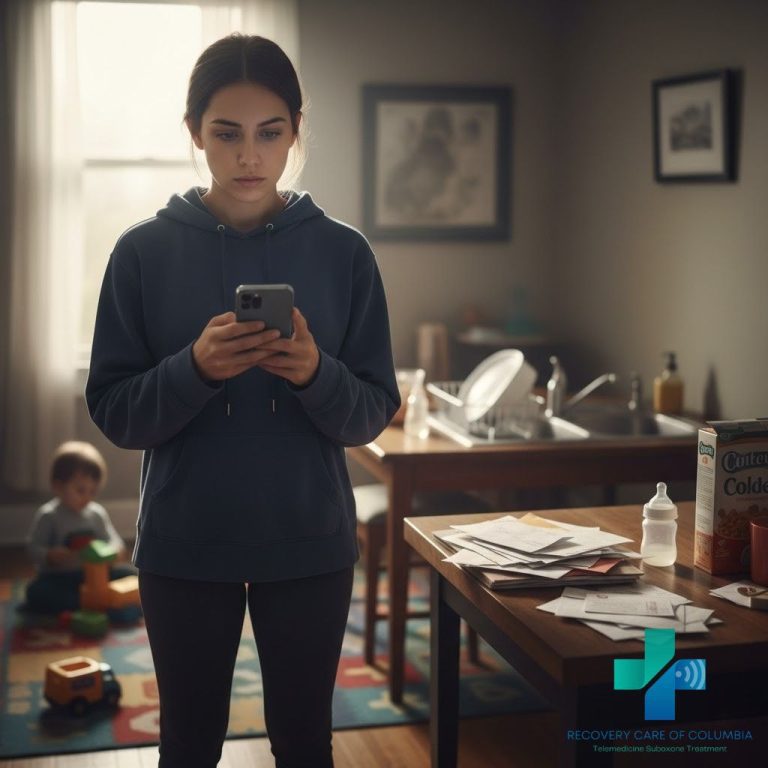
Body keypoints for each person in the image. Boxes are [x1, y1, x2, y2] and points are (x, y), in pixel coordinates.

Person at [85, 33, 399, 768]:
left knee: (303, 744)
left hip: (310, 543)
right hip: (184, 545)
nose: (248, 157)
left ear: (295, 131)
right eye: (226, 134)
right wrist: (194, 368)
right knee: (188, 744)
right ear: (193, 132)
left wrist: (316, 371)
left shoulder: (346, 254)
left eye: (270, 133)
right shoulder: (140, 253)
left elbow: (370, 413)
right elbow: (115, 411)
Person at [25, 441, 131, 613]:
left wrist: (116, 551)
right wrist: (49, 555)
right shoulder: (49, 516)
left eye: (93, 491)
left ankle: (94, 602)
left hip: (94, 577)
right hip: (60, 578)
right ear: (58, 486)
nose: (87, 497)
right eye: (80, 490)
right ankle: (91, 604)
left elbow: (113, 540)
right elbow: (33, 547)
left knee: (131, 575)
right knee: (36, 592)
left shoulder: (96, 514)